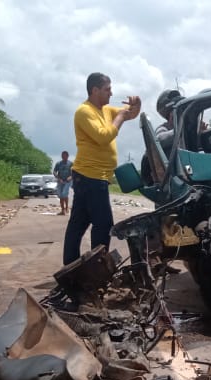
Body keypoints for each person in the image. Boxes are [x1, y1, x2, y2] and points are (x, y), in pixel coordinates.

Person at [62, 73, 141, 266]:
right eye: (107, 89)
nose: (111, 93)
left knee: (78, 224)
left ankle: (71, 266)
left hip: (94, 177)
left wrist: (137, 104)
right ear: (94, 90)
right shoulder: (84, 111)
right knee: (103, 225)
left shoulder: (106, 110)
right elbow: (104, 136)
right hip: (90, 176)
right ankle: (98, 267)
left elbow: (130, 113)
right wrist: (121, 117)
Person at [52, 150, 73, 215]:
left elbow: (74, 172)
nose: (63, 157)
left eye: (64, 155)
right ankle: (62, 210)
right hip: (60, 181)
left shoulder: (70, 163)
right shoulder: (58, 163)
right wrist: (58, 178)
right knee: (61, 195)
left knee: (64, 193)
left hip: (67, 181)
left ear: (67, 156)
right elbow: (54, 172)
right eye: (62, 155)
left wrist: (70, 177)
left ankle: (66, 208)